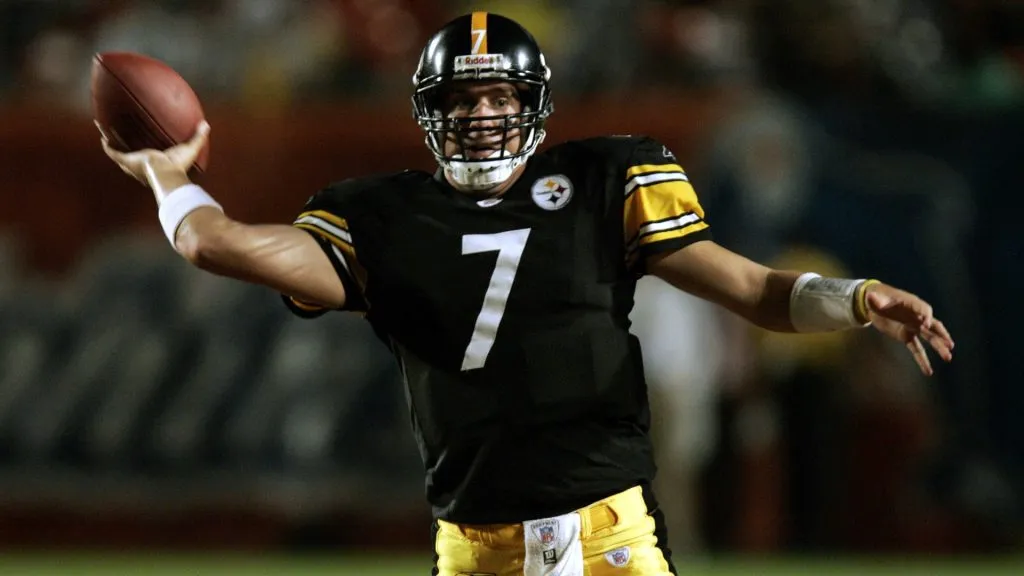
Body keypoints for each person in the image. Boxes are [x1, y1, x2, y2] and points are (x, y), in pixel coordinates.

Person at [98, 12, 954, 576]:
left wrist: (854, 295)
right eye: (462, 100)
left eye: (498, 96)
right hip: (477, 550)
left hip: (609, 537)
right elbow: (215, 242)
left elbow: (749, 287)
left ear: (535, 106)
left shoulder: (604, 179)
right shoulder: (381, 216)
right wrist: (168, 179)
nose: (479, 116)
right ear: (431, 113)